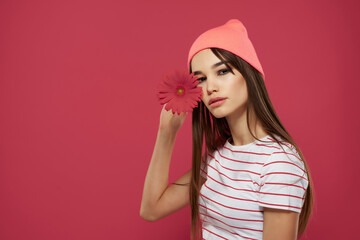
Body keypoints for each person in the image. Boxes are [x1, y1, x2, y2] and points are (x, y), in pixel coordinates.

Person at [140, 19, 313, 240]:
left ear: (249, 74)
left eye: (222, 71)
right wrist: (167, 133)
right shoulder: (218, 157)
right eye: (201, 79)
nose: (210, 87)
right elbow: (151, 209)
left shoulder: (279, 163)